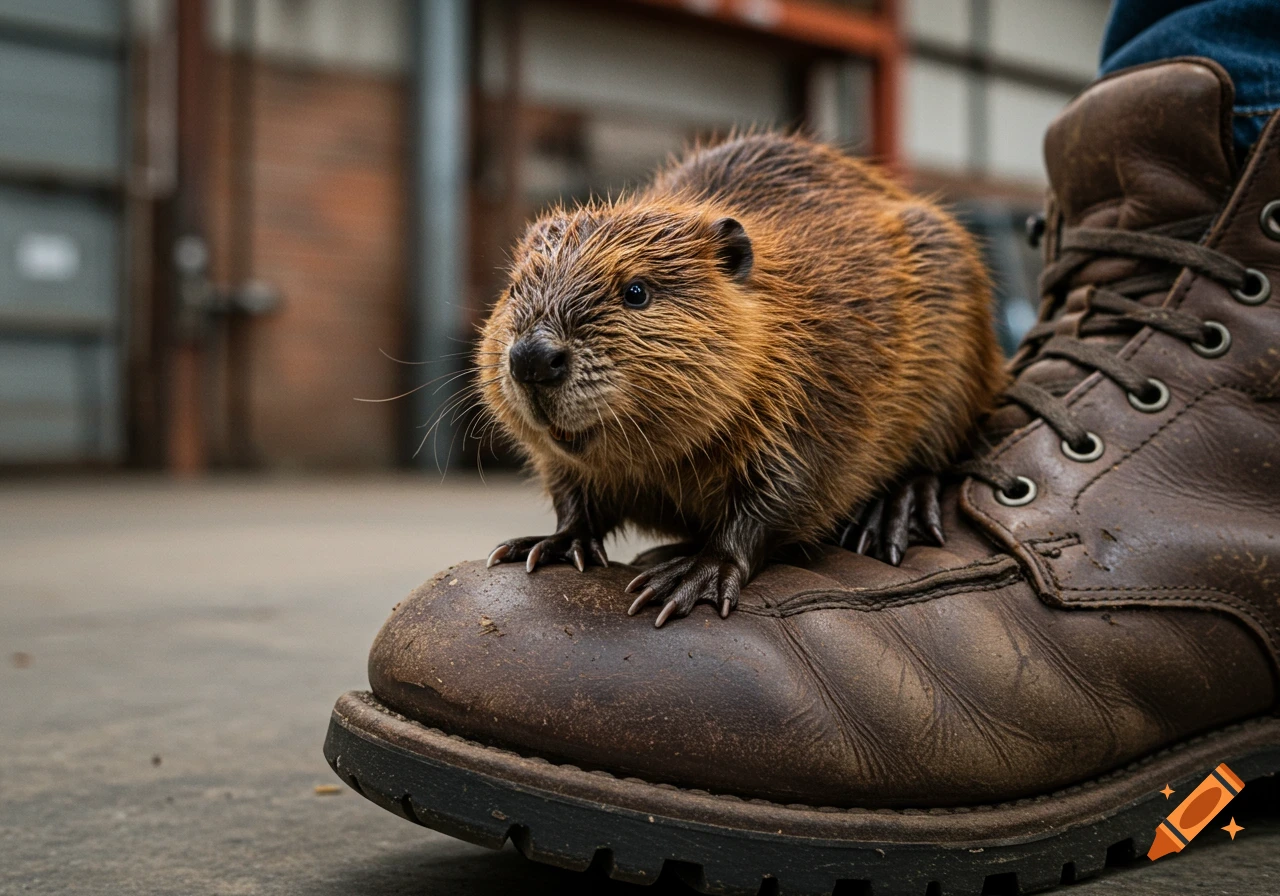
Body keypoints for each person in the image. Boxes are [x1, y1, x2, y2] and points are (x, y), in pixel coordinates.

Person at [323, 5, 1280, 893]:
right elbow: (564, 433)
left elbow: (798, 458)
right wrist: (577, 518)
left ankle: (995, 478)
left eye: (636, 301)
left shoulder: (792, 355)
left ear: (728, 277)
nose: (533, 351)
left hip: (859, 385)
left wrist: (736, 545)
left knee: (937, 253)